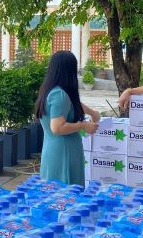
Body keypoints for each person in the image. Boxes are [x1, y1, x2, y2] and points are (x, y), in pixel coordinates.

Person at [35, 51, 101, 186]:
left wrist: (93, 113)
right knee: (65, 194)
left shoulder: (52, 90)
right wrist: (83, 125)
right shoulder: (59, 95)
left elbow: (73, 103)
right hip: (63, 153)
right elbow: (57, 127)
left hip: (53, 149)